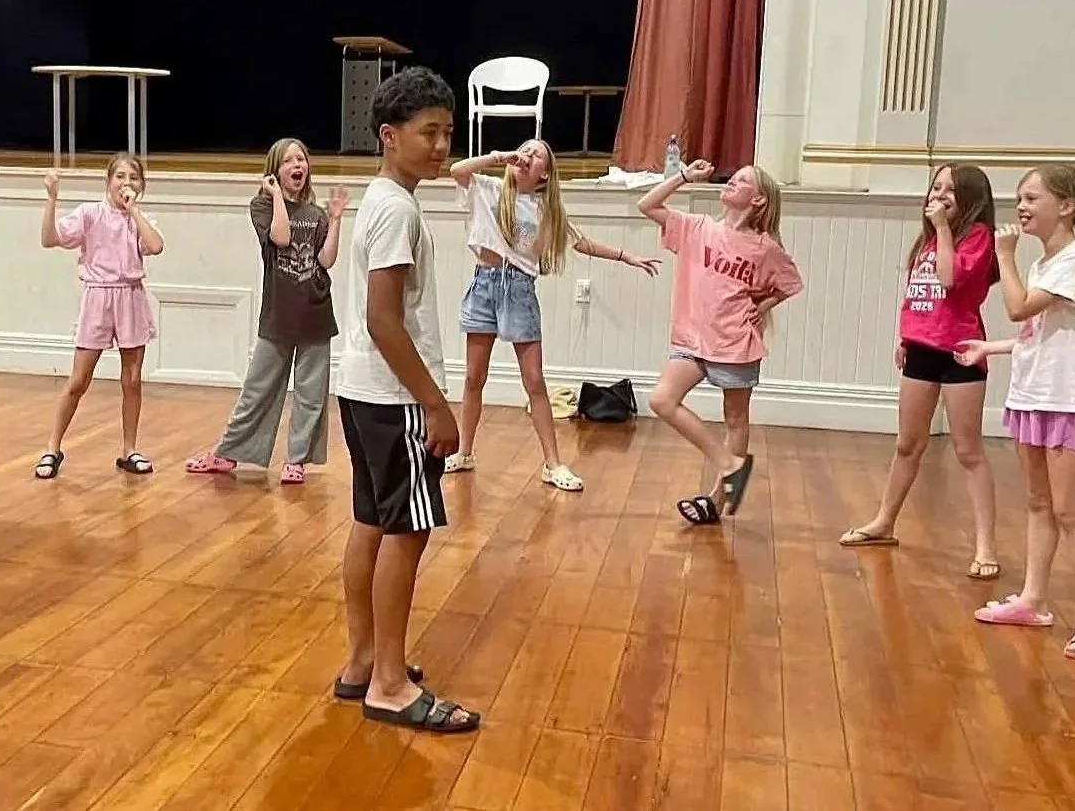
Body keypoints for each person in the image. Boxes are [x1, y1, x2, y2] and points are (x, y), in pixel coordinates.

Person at [333, 67, 478, 733]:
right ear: (389, 136)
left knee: (371, 520)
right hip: (395, 399)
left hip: (363, 391)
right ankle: (388, 685)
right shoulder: (394, 209)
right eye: (429, 132)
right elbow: (384, 320)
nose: (442, 144)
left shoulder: (383, 199)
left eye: (448, 131)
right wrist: (437, 405)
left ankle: (364, 660)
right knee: (406, 530)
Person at [958, 163, 1075, 661]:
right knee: (1039, 504)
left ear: (1066, 206)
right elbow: (1034, 331)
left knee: (1071, 511)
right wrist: (992, 348)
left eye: (1032, 198)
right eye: (1020, 198)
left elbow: (1019, 307)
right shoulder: (1048, 263)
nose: (1021, 207)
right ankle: (1033, 597)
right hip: (1033, 393)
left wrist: (1005, 257)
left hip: (1067, 398)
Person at [442, 140, 661, 491]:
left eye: (537, 154)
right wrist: (500, 157)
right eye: (524, 149)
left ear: (544, 174)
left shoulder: (547, 211)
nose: (527, 155)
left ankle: (553, 463)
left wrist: (627, 256)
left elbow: (583, 243)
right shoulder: (490, 189)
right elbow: (457, 170)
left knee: (534, 381)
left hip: (519, 289)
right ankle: (465, 451)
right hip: (484, 284)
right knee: (472, 377)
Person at [840, 164, 1000, 579]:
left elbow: (948, 280)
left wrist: (944, 229)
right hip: (921, 350)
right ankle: (884, 521)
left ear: (969, 198)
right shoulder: (926, 241)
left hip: (961, 351)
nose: (940, 194)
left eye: (951, 189)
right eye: (936, 186)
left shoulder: (977, 237)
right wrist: (905, 337)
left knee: (968, 451)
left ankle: (985, 544)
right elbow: (918, 295)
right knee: (907, 444)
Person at [635, 157, 803, 524]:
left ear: (758, 200)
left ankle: (716, 501)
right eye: (733, 179)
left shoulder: (764, 247)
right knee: (662, 400)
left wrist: (764, 306)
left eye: (742, 182)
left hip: (734, 342)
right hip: (691, 340)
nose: (731, 183)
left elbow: (791, 283)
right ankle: (729, 465)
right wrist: (682, 177)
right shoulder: (697, 228)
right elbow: (646, 205)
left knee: (735, 418)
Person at [185, 138, 346, 483]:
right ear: (276, 170)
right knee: (258, 389)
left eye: (300, 159)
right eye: (288, 160)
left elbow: (327, 260)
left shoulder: (317, 214)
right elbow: (282, 238)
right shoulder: (261, 206)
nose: (296, 165)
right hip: (278, 316)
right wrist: (275, 196)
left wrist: (334, 221)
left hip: (316, 314)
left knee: (311, 394)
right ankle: (228, 453)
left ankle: (296, 461)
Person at [34, 153, 166, 479]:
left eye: (133, 178)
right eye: (119, 176)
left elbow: (156, 245)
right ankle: (52, 447)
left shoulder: (139, 219)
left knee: (132, 379)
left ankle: (129, 449)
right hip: (98, 296)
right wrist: (51, 199)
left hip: (131, 295)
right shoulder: (90, 214)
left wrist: (134, 210)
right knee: (79, 380)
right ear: (108, 181)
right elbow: (50, 239)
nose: (126, 183)